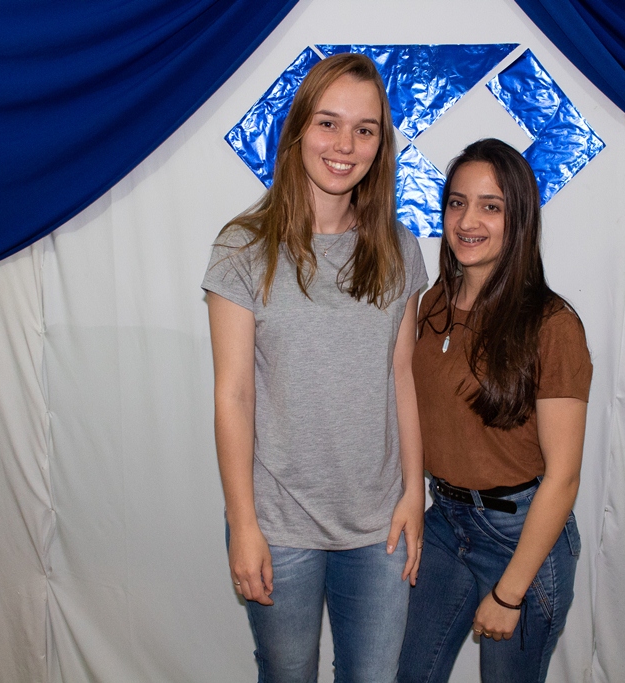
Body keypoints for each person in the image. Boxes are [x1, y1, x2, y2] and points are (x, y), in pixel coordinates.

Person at [202, 52, 428, 682]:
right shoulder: (243, 248)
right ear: (299, 128)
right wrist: (243, 523)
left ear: (381, 145)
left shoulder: (399, 249)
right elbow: (233, 395)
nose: (345, 145)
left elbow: (402, 377)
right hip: (278, 524)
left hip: (380, 527)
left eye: (365, 129)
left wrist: (415, 494)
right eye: (328, 123)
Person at [398, 138, 592, 683]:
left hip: (521, 535)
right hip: (445, 520)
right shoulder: (432, 302)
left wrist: (510, 595)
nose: (467, 221)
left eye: (491, 206)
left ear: (519, 218)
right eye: (457, 203)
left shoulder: (552, 326)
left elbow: (564, 476)